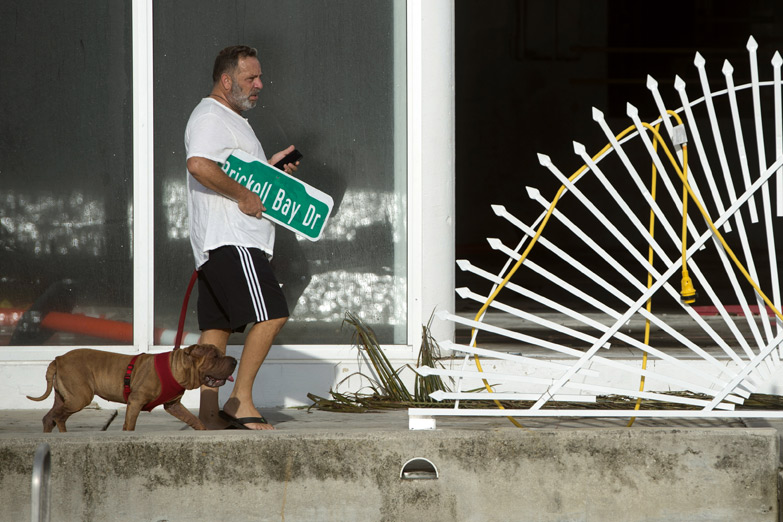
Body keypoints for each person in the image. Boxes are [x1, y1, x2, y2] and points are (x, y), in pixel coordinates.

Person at [184, 45, 299, 430]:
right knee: (273, 314)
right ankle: (241, 400)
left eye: (259, 77)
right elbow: (199, 164)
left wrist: (271, 172)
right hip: (232, 240)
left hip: (217, 241)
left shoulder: (230, 120)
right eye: (251, 78)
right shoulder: (211, 115)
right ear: (226, 80)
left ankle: (208, 412)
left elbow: (231, 172)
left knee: (217, 327)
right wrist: (244, 196)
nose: (260, 85)